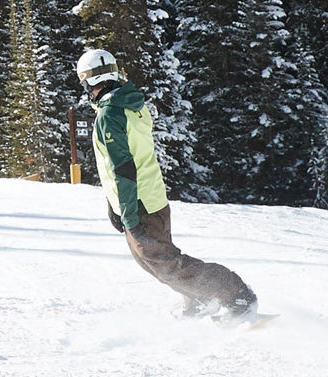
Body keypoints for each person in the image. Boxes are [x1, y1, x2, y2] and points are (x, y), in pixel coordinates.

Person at [79, 49, 258, 319]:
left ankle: (236, 295)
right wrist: (112, 205)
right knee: (158, 263)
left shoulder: (110, 116)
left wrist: (127, 215)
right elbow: (120, 162)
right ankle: (198, 301)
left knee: (166, 266)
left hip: (140, 205)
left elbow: (124, 167)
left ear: (91, 81)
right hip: (146, 199)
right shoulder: (131, 105)